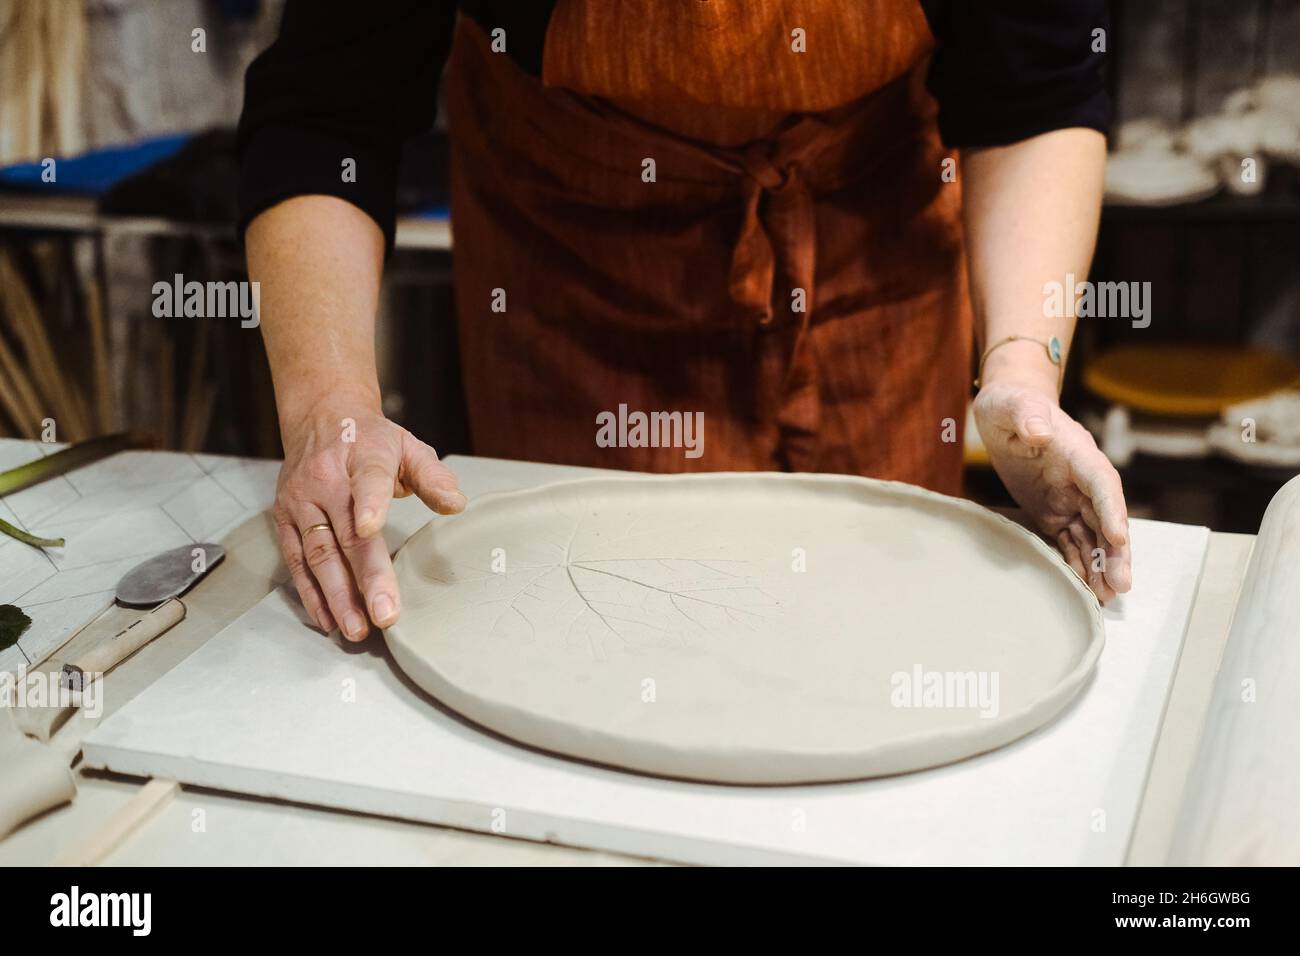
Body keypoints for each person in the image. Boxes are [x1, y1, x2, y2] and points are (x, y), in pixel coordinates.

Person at [238, 0, 1132, 643]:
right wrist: (330, 404)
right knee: (592, 630)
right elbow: (328, 109)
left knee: (871, 635)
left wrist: (1021, 366)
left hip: (870, 238)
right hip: (580, 254)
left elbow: (1036, 94)